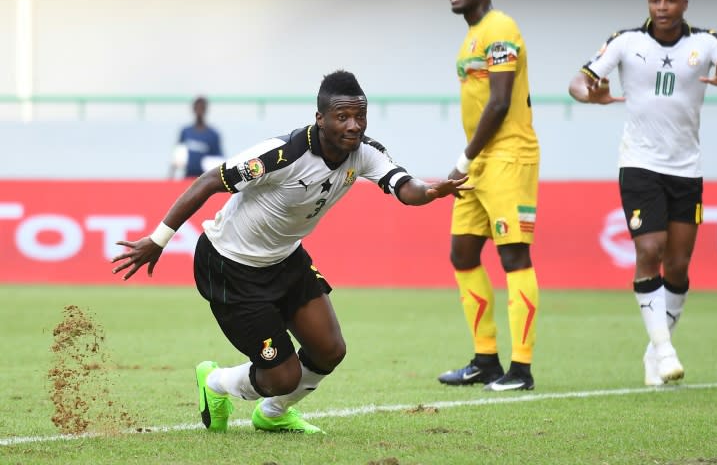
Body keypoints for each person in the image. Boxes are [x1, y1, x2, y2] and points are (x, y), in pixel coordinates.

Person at [111, 70, 471, 434]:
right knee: (283, 376)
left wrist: (427, 192)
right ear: (320, 118)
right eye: (342, 117)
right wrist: (158, 239)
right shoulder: (281, 154)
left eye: (360, 116)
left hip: (285, 258)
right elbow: (208, 182)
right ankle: (215, 383)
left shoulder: (364, 154)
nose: (353, 126)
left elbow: (402, 185)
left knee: (330, 349)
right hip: (230, 265)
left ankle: (272, 414)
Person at [567, 0, 717, 386]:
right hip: (639, 164)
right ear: (647, 2)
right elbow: (578, 81)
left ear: (685, 3)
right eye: (655, 0)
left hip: (686, 168)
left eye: (670, 0)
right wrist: (591, 94)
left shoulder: (706, 42)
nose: (662, 7)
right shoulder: (625, 42)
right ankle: (664, 349)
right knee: (649, 249)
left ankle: (654, 347)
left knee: (677, 264)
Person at [437, 0, 540, 392]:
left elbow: (499, 103)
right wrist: (470, 160)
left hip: (508, 157)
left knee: (513, 256)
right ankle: (485, 358)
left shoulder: (501, 28)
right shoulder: (472, 36)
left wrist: (464, 158)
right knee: (462, 254)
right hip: (480, 162)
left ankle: (521, 368)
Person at [169, 96, 224, 179]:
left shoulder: (213, 134)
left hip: (205, 180)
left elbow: (218, 160)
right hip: (187, 177)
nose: (199, 110)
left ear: (206, 109)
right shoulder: (185, 132)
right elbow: (177, 157)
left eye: (202, 107)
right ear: (193, 109)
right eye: (197, 107)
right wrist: (170, 178)